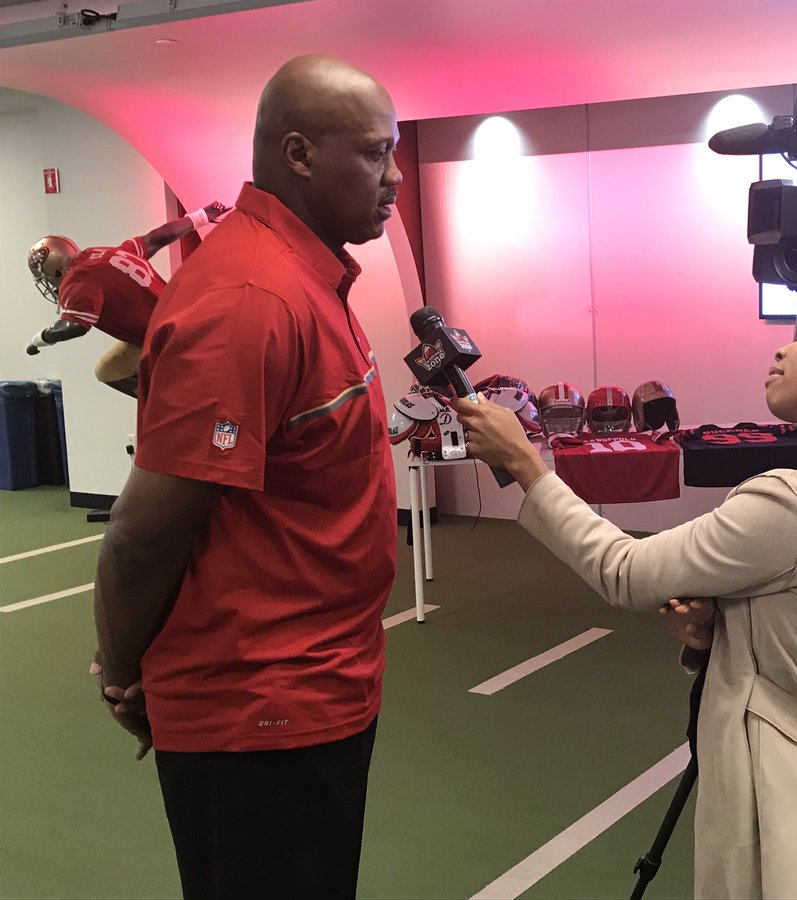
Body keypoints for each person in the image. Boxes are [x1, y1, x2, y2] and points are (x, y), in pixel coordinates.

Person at [454, 300, 797, 899]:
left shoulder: (794, 504)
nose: (783, 348)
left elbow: (625, 570)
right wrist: (722, 631)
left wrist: (524, 463)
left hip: (781, 817)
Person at [92, 54, 401, 900]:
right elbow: (140, 538)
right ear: (298, 154)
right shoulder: (251, 299)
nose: (395, 178)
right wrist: (124, 671)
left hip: (321, 686)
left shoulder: (306, 276)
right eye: (376, 154)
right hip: (259, 710)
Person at [25, 201, 228, 397]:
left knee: (109, 372)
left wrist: (39, 340)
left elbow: (74, 326)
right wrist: (201, 216)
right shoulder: (103, 253)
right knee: (107, 368)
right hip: (177, 319)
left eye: (48, 279)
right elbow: (156, 238)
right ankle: (167, 399)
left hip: (167, 338)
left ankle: (171, 403)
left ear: (57, 270)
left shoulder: (76, 280)